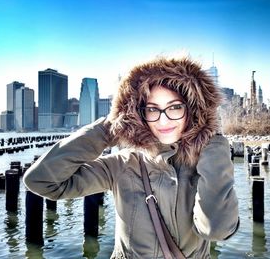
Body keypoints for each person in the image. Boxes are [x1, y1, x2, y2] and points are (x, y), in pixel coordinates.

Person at [24, 56, 239, 258]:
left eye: (174, 107)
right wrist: (109, 128)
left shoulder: (206, 162)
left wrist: (214, 141)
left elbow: (216, 230)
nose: (163, 121)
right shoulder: (123, 165)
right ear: (139, 113)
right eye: (153, 109)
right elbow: (41, 181)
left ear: (192, 110)